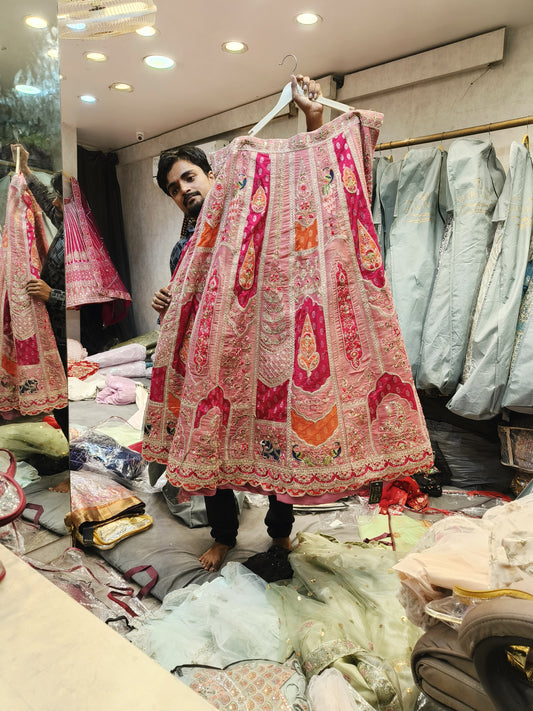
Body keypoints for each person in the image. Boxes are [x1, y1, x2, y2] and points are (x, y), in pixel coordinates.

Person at [150, 75, 324, 574]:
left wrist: (312, 119)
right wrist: (167, 303)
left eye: (188, 178)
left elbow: (303, 187)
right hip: (212, 366)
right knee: (213, 451)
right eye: (173, 189)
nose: (183, 191)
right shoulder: (184, 249)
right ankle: (223, 536)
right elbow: (189, 311)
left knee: (274, 447)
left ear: (209, 174)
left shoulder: (255, 215)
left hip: (266, 354)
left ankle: (280, 534)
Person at [10, 144, 68, 440]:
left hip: (66, 332)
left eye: (62, 198)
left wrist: (51, 294)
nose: (55, 203)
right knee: (59, 400)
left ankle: (75, 459)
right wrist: (26, 169)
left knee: (65, 403)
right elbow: (46, 202)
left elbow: (91, 302)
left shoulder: (86, 244)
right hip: (54, 331)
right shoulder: (69, 226)